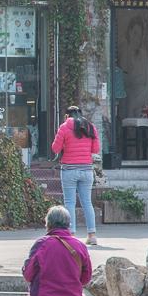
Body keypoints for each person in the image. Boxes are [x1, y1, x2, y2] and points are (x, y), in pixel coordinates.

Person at [52, 105, 101, 245]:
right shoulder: (90, 127)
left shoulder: (64, 127)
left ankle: (71, 235)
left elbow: (55, 148)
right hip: (86, 170)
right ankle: (92, 235)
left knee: (70, 203)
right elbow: (96, 149)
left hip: (69, 170)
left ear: (67, 116)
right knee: (87, 202)